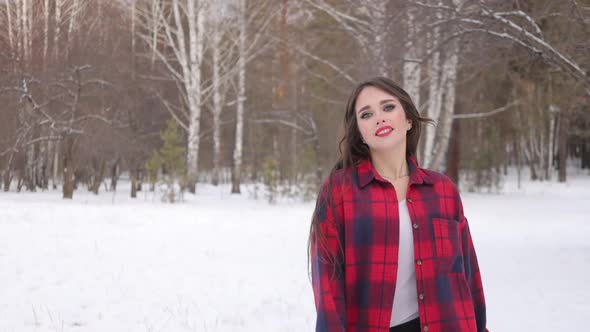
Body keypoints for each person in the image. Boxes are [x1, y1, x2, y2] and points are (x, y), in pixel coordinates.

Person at [308, 77, 488, 332]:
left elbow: (468, 276)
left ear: (408, 120)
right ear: (359, 133)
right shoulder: (340, 191)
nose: (379, 117)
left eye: (388, 107)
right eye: (367, 114)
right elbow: (328, 288)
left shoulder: (442, 191)